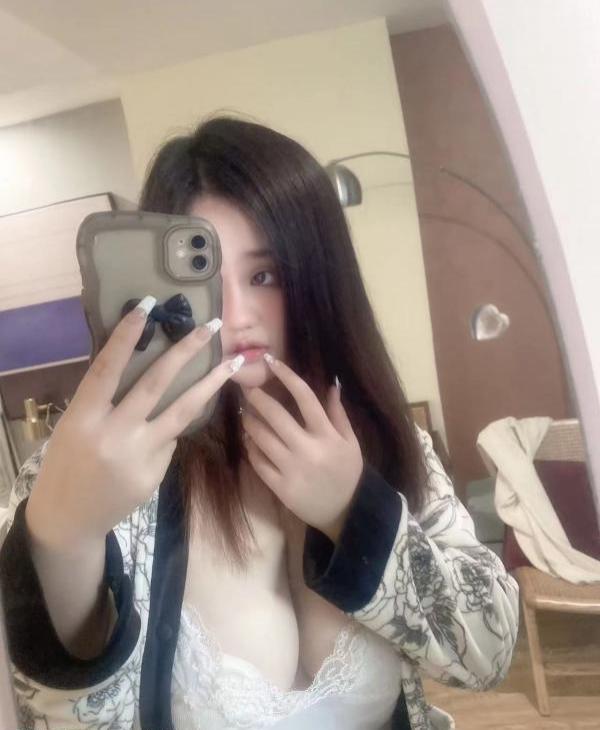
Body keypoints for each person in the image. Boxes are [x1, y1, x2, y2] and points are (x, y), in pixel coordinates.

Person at [0, 116, 519, 730]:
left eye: (264, 276)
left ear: (317, 280)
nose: (237, 314)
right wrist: (63, 537)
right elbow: (55, 718)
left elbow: (490, 654)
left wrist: (355, 513)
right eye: (205, 281)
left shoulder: (381, 442)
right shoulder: (95, 469)